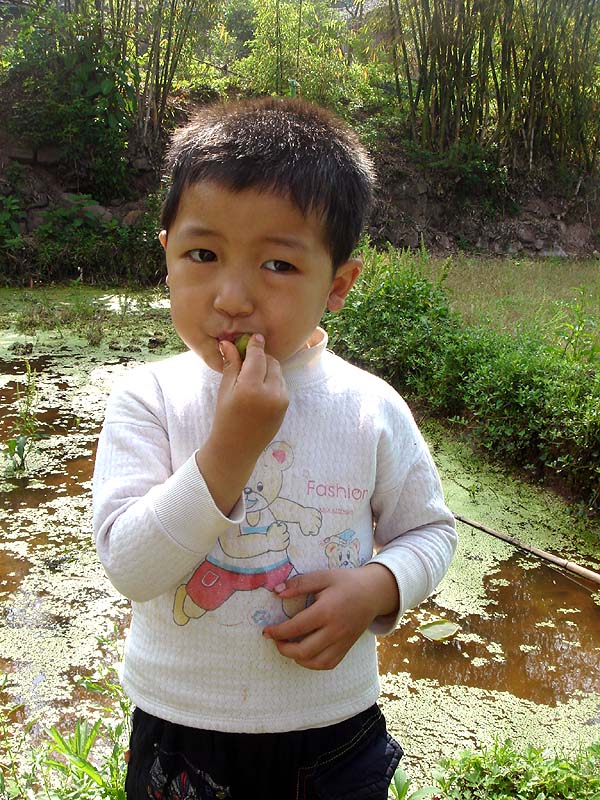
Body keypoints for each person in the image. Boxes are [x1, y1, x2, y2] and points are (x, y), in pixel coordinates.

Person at [92, 97, 457, 800]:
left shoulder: (369, 406)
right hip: (182, 731)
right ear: (165, 252)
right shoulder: (149, 400)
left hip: (332, 732)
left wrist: (380, 586)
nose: (232, 295)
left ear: (339, 284)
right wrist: (230, 450)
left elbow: (429, 531)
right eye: (203, 254)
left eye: (279, 266)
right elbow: (131, 567)